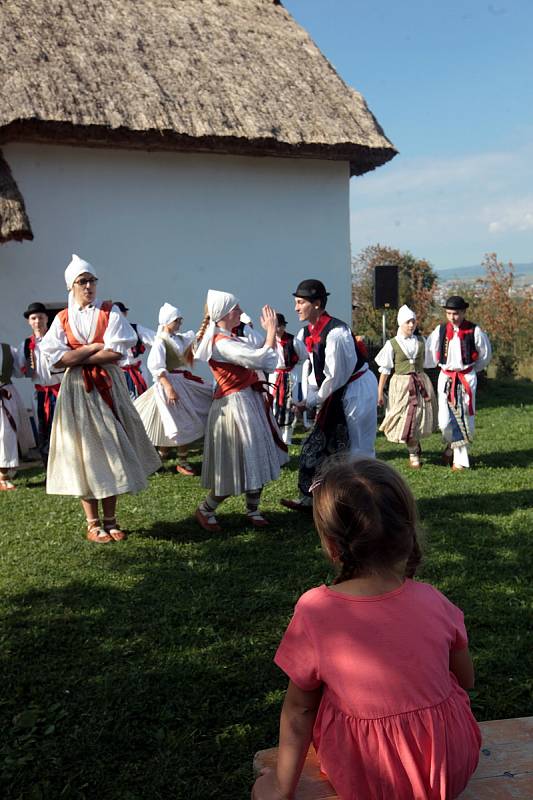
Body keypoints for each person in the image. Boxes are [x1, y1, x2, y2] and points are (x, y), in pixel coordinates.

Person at [253, 457, 481, 800]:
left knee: (319, 694)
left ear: (333, 546)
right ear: (408, 534)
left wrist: (281, 786)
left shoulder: (316, 610)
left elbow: (300, 710)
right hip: (451, 766)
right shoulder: (434, 600)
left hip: (371, 779)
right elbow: (466, 680)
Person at [40, 254, 161, 542]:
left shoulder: (110, 312)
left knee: (113, 449)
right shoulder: (62, 318)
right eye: (82, 282)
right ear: (72, 286)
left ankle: (111, 519)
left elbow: (116, 352)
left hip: (107, 386)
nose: (89, 286)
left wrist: (78, 354)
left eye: (92, 281)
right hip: (78, 392)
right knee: (86, 453)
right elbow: (57, 359)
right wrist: (94, 346)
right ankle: (92, 523)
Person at [194, 289, 288, 531]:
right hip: (234, 405)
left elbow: (261, 353)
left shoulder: (231, 338)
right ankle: (206, 509)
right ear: (224, 314)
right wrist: (270, 332)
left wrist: (262, 331)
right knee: (234, 461)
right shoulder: (221, 344)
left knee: (258, 453)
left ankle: (253, 508)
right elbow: (259, 360)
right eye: (236, 308)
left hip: (248, 401)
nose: (240, 311)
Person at [281, 279, 377, 511]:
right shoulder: (307, 332)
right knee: (317, 446)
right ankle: (312, 498)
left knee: (358, 447)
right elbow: (310, 365)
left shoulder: (337, 334)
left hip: (355, 390)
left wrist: (310, 401)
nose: (296, 308)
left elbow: (336, 377)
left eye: (300, 302)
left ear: (316, 304)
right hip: (335, 392)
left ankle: (365, 500)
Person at [134, 302, 213, 475]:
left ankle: (172, 461)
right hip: (169, 384)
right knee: (176, 423)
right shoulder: (160, 341)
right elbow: (155, 366)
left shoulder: (178, 338)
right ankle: (168, 461)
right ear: (167, 321)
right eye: (176, 320)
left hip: (182, 382)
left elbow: (195, 341)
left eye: (180, 320)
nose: (179, 323)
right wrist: (169, 388)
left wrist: (206, 321)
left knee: (179, 422)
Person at [425, 296, 491, 470]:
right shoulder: (440, 330)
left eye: (455, 313)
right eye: (449, 313)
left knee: (464, 417)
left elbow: (485, 355)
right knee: (445, 421)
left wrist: (471, 371)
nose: (452, 317)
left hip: (466, 377)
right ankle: (451, 444)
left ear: (463, 312)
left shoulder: (474, 331)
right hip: (446, 377)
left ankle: (460, 461)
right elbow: (431, 352)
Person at [375, 304, 437, 468]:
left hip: (420, 383)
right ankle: (413, 449)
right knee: (404, 419)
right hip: (401, 386)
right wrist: (380, 392)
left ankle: (414, 451)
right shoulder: (392, 344)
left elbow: (430, 362)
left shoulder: (421, 341)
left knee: (418, 418)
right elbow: (385, 370)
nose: (411, 325)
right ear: (400, 324)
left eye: (413, 322)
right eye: (408, 322)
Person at [18, 302, 62, 468]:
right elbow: (19, 370)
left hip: (59, 390)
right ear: (29, 321)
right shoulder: (25, 346)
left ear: (46, 319)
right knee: (43, 430)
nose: (37, 321)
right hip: (40, 393)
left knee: (64, 428)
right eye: (33, 318)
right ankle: (49, 468)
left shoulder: (57, 339)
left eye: (41, 317)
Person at [268, 313, 308, 445]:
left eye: (279, 326)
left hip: (291, 375)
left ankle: (287, 437)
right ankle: (276, 435)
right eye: (275, 326)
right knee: (275, 404)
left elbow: (303, 356)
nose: (277, 329)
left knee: (291, 403)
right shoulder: (269, 341)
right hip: (275, 375)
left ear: (284, 326)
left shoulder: (293, 341)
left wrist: (291, 366)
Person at [0, 341, 35, 489]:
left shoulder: (7, 349)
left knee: (7, 433)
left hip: (6, 393)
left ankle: (4, 474)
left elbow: (19, 372)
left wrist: (28, 355)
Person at [114, 301, 155, 400]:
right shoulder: (106, 332)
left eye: (120, 313)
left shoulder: (135, 329)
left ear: (125, 314)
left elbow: (157, 340)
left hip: (136, 372)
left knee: (139, 402)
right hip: (116, 373)